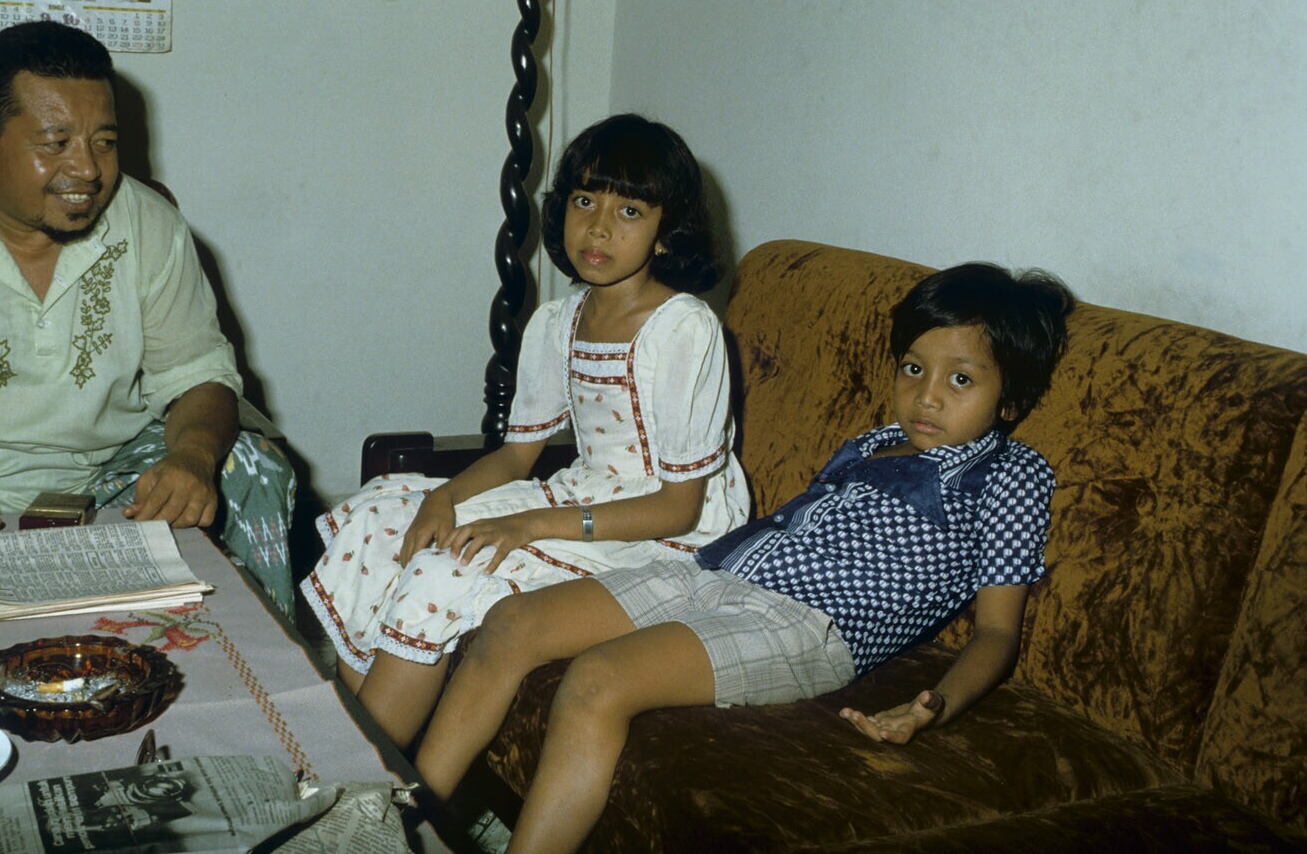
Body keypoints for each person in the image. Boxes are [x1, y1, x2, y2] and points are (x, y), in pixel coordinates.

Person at [414, 261, 1076, 853]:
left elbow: (997, 632)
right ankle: (405, 827)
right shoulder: (875, 441)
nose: (927, 395)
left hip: (806, 623)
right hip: (719, 569)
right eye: (913, 367)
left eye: (960, 378)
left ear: (1012, 400)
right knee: (513, 621)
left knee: (597, 681)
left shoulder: (1010, 474)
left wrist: (935, 702)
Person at [0, 20, 296, 613]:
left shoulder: (150, 225)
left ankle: (261, 667)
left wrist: (192, 456)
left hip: (107, 480)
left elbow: (199, 376)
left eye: (104, 142)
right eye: (55, 143)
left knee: (249, 465)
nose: (88, 169)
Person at [302, 114, 749, 748]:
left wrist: (527, 525)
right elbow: (516, 457)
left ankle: (363, 779)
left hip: (664, 530)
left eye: (629, 211)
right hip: (584, 493)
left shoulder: (683, 328)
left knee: (441, 573)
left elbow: (680, 508)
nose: (598, 227)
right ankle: (358, 752)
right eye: (585, 201)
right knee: (379, 519)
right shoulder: (557, 321)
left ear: (665, 233)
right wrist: (443, 497)